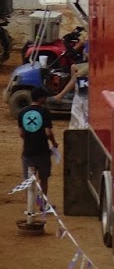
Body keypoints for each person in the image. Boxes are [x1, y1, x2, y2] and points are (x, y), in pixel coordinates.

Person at [17, 87, 55, 226]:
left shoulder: (22, 112)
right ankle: (43, 205)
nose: (45, 99)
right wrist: (54, 143)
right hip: (42, 151)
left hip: (28, 151)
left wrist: (30, 139)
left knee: (28, 181)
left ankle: (30, 206)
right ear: (40, 98)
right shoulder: (45, 112)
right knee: (43, 179)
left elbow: (21, 133)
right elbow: (48, 132)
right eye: (44, 97)